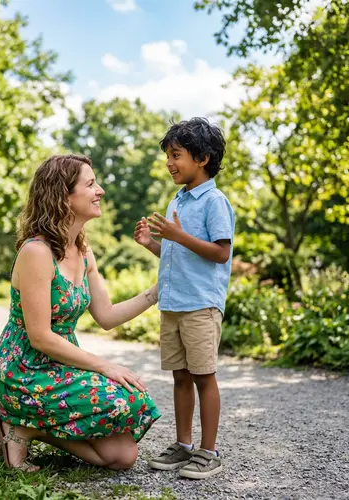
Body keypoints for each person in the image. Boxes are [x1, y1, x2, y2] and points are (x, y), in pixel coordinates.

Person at [0, 154, 161, 471]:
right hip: (25, 369)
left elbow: (106, 316)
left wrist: (156, 292)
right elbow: (40, 337)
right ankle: (16, 419)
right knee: (121, 397)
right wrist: (105, 366)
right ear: (63, 196)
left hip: (60, 366)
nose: (101, 191)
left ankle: (27, 427)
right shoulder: (36, 252)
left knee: (122, 456)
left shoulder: (83, 251)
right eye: (91, 184)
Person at [135, 118, 235, 479]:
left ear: (203, 158)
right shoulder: (177, 199)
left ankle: (209, 452)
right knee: (180, 375)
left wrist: (177, 234)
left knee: (203, 376)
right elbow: (178, 254)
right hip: (173, 304)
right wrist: (152, 245)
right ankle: (184, 445)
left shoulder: (214, 201)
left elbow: (221, 253)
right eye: (168, 155)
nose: (169, 162)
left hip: (200, 305)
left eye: (176, 154)